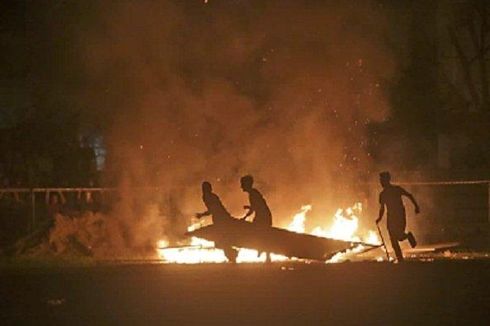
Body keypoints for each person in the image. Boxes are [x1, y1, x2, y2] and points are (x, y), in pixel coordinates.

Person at [376, 171, 420, 262]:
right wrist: (379, 218)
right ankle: (400, 259)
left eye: (382, 180)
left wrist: (416, 206)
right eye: (380, 180)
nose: (381, 183)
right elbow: (382, 208)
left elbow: (409, 195)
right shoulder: (382, 194)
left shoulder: (396, 189)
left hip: (399, 216)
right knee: (393, 239)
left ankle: (408, 236)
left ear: (387, 180)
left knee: (399, 236)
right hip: (390, 218)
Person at [195, 181, 237, 262]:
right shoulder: (209, 196)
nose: (204, 190)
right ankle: (232, 254)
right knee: (220, 241)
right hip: (219, 219)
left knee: (221, 240)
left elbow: (214, 209)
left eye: (205, 188)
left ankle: (232, 255)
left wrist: (202, 215)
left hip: (221, 219)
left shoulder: (209, 197)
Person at [240, 175, 273, 262]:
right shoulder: (253, 193)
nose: (241, 186)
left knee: (261, 234)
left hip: (263, 217)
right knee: (262, 235)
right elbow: (256, 206)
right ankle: (263, 251)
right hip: (262, 215)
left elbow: (256, 207)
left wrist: (245, 217)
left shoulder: (253, 194)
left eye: (242, 184)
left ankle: (263, 250)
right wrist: (249, 209)